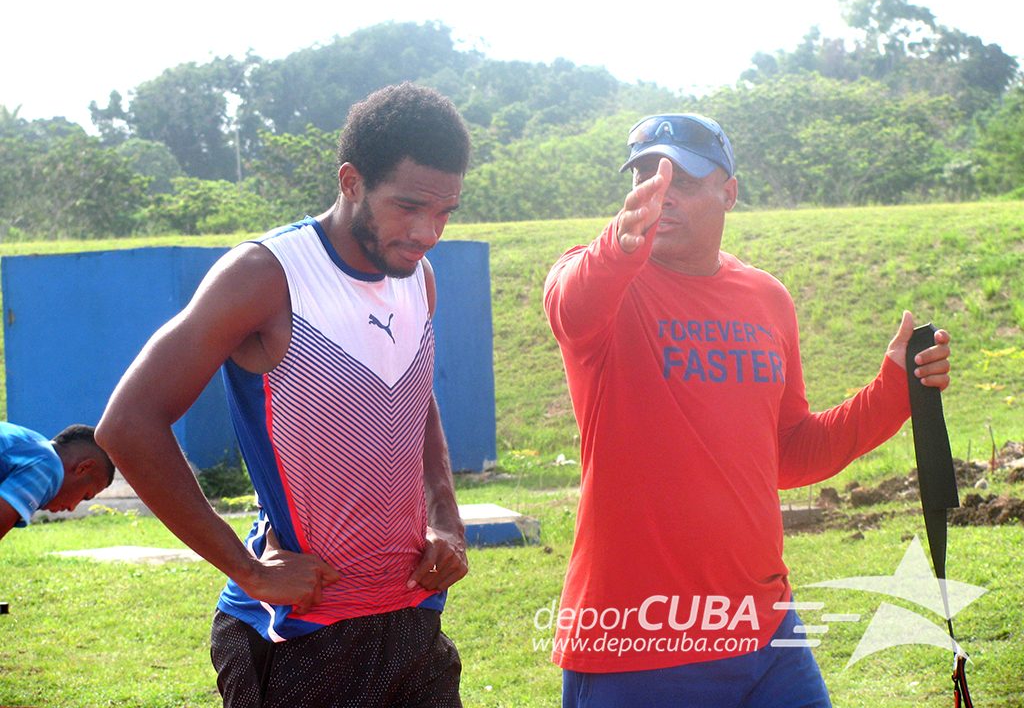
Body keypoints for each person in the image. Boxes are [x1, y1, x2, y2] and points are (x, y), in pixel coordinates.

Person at [542, 113, 953, 707]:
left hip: (765, 630)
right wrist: (617, 248)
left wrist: (895, 389)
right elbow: (569, 309)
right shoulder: (597, 276)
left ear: (728, 192)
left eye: (680, 178)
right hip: (637, 638)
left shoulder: (767, 298)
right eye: (645, 177)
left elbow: (787, 454)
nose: (661, 193)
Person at [96, 83, 471, 707]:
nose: (427, 231)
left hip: (411, 618)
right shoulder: (266, 275)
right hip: (296, 635)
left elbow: (414, 398)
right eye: (408, 207)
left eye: (445, 211)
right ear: (351, 181)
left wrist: (445, 517)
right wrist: (247, 571)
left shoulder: (418, 276)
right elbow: (129, 423)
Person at [0, 422, 115, 540]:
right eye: (85, 496)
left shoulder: (31, 444)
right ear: (83, 468)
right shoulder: (48, 467)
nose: (72, 508)